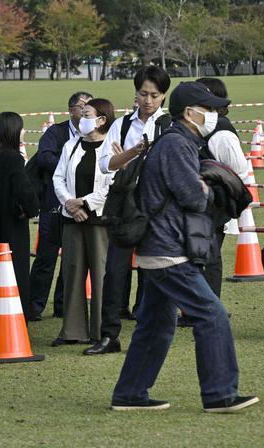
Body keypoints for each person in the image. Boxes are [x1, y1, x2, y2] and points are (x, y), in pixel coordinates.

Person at [110, 81, 258, 413]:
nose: (214, 115)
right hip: (168, 248)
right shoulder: (177, 144)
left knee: (156, 324)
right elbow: (192, 196)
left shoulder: (179, 142)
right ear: (190, 113)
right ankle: (220, 394)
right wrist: (211, 187)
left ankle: (130, 394)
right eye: (209, 109)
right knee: (212, 314)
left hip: (159, 247)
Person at [87, 66, 172, 356]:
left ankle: (150, 335)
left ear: (163, 96)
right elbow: (104, 164)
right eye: (143, 94)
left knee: (154, 273)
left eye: (155, 95)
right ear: (135, 93)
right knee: (115, 271)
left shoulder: (169, 125)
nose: (148, 101)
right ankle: (109, 335)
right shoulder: (122, 124)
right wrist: (132, 152)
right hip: (123, 204)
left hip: (157, 206)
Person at [51, 98, 115, 347]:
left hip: (99, 221)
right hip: (72, 220)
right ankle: (73, 330)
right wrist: (70, 203)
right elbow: (58, 178)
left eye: (87, 114)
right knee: (72, 273)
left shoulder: (112, 148)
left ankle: (101, 331)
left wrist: (86, 203)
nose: (81, 118)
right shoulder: (71, 145)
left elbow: (111, 184)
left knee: (100, 275)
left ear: (101, 120)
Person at [28, 91, 92, 321]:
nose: (85, 110)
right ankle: (34, 305)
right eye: (81, 106)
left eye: (89, 106)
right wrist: (71, 166)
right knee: (46, 256)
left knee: (73, 258)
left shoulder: (94, 133)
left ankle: (63, 305)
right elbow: (44, 157)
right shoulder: (56, 132)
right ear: (71, 109)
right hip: (54, 201)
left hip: (83, 203)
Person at [0, 112, 39, 324]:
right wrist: (32, 209)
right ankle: (13, 318)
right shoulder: (14, 159)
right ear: (13, 131)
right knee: (15, 271)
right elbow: (24, 191)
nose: (23, 132)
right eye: (20, 128)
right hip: (12, 224)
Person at [193, 77, 246, 302]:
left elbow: (239, 169)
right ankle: (197, 308)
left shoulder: (222, 132)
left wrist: (215, 187)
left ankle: (209, 307)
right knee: (197, 257)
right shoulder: (202, 128)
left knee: (210, 258)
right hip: (199, 206)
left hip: (215, 206)